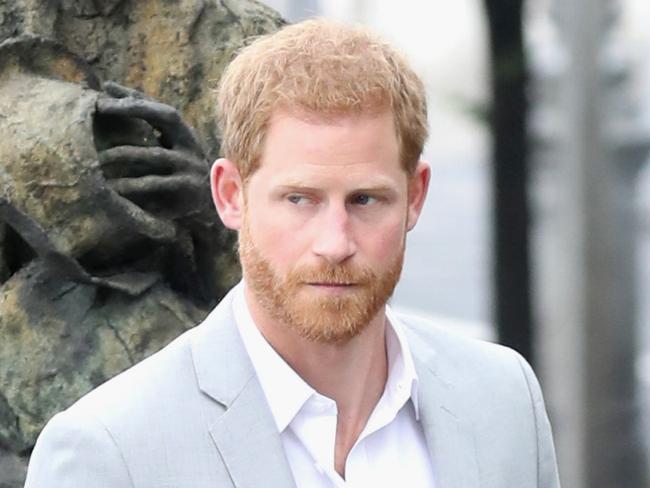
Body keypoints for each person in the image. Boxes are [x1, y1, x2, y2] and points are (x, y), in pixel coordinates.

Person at [25, 19, 561, 487]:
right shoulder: (110, 450)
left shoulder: (504, 399)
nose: (335, 244)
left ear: (415, 196)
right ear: (231, 195)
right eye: (299, 199)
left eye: (366, 199)